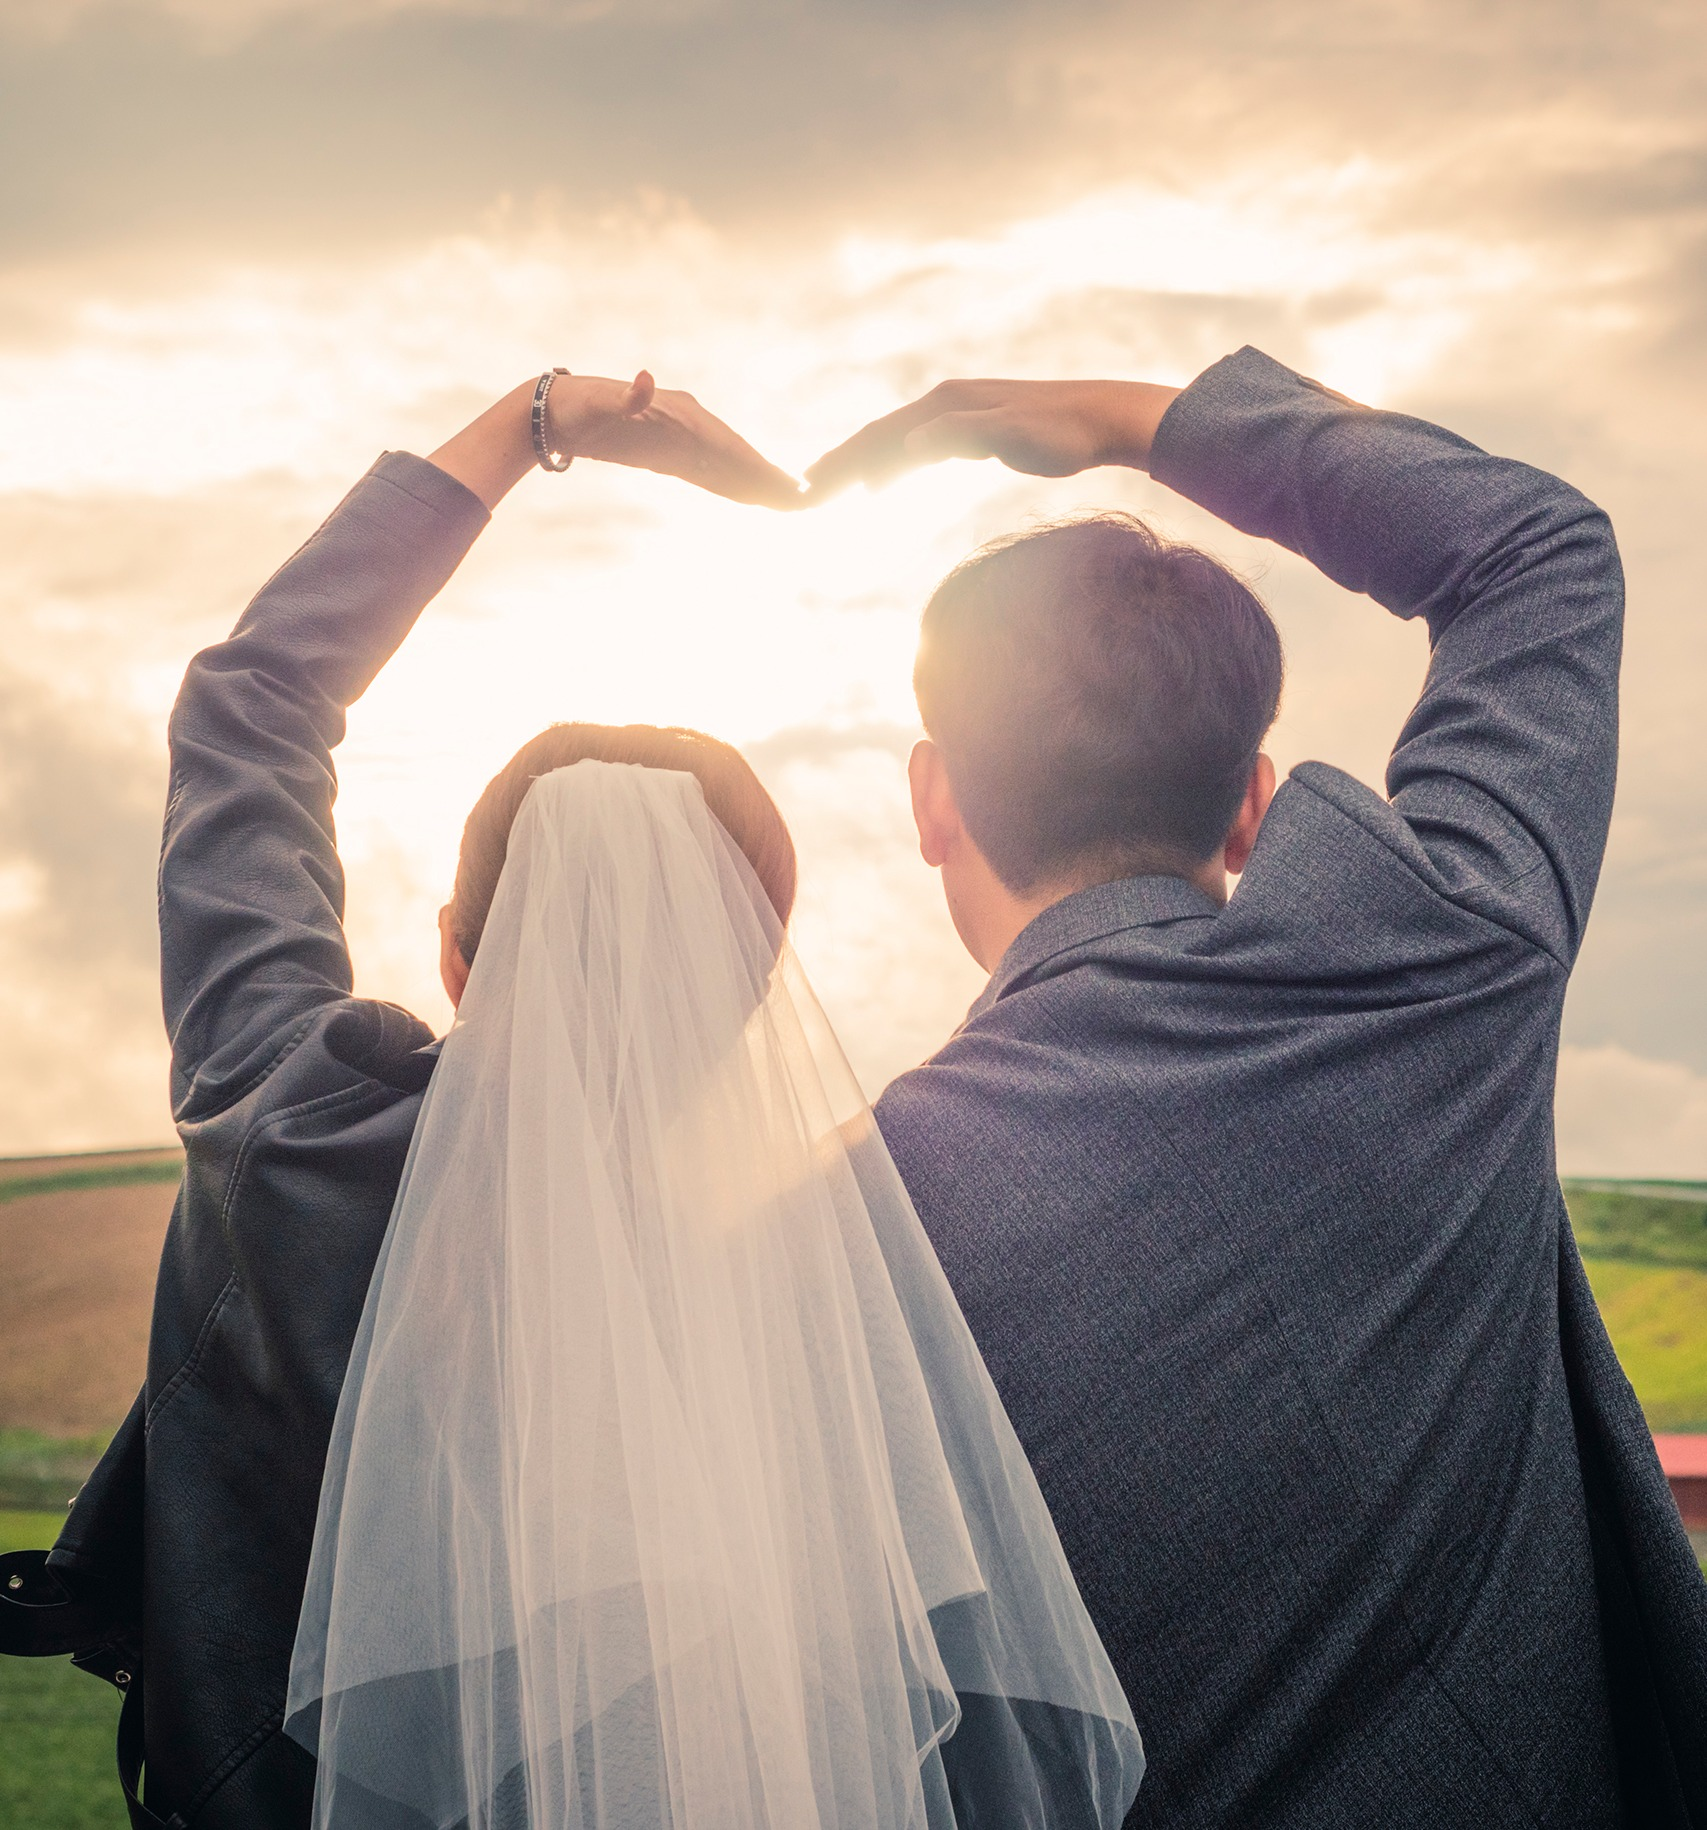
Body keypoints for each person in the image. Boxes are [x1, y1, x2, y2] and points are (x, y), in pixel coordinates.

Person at [4, 369, 1143, 1828]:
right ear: (751, 995)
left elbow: (250, 709)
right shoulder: (807, 1292)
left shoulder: (289, 1126)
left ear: (458, 955)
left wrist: (536, 428)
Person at [805, 353, 1707, 1825]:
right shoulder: (1436, 955)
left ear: (930, 799)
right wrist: (1123, 424)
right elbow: (1538, 549)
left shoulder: (857, 1223)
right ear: (1248, 800)